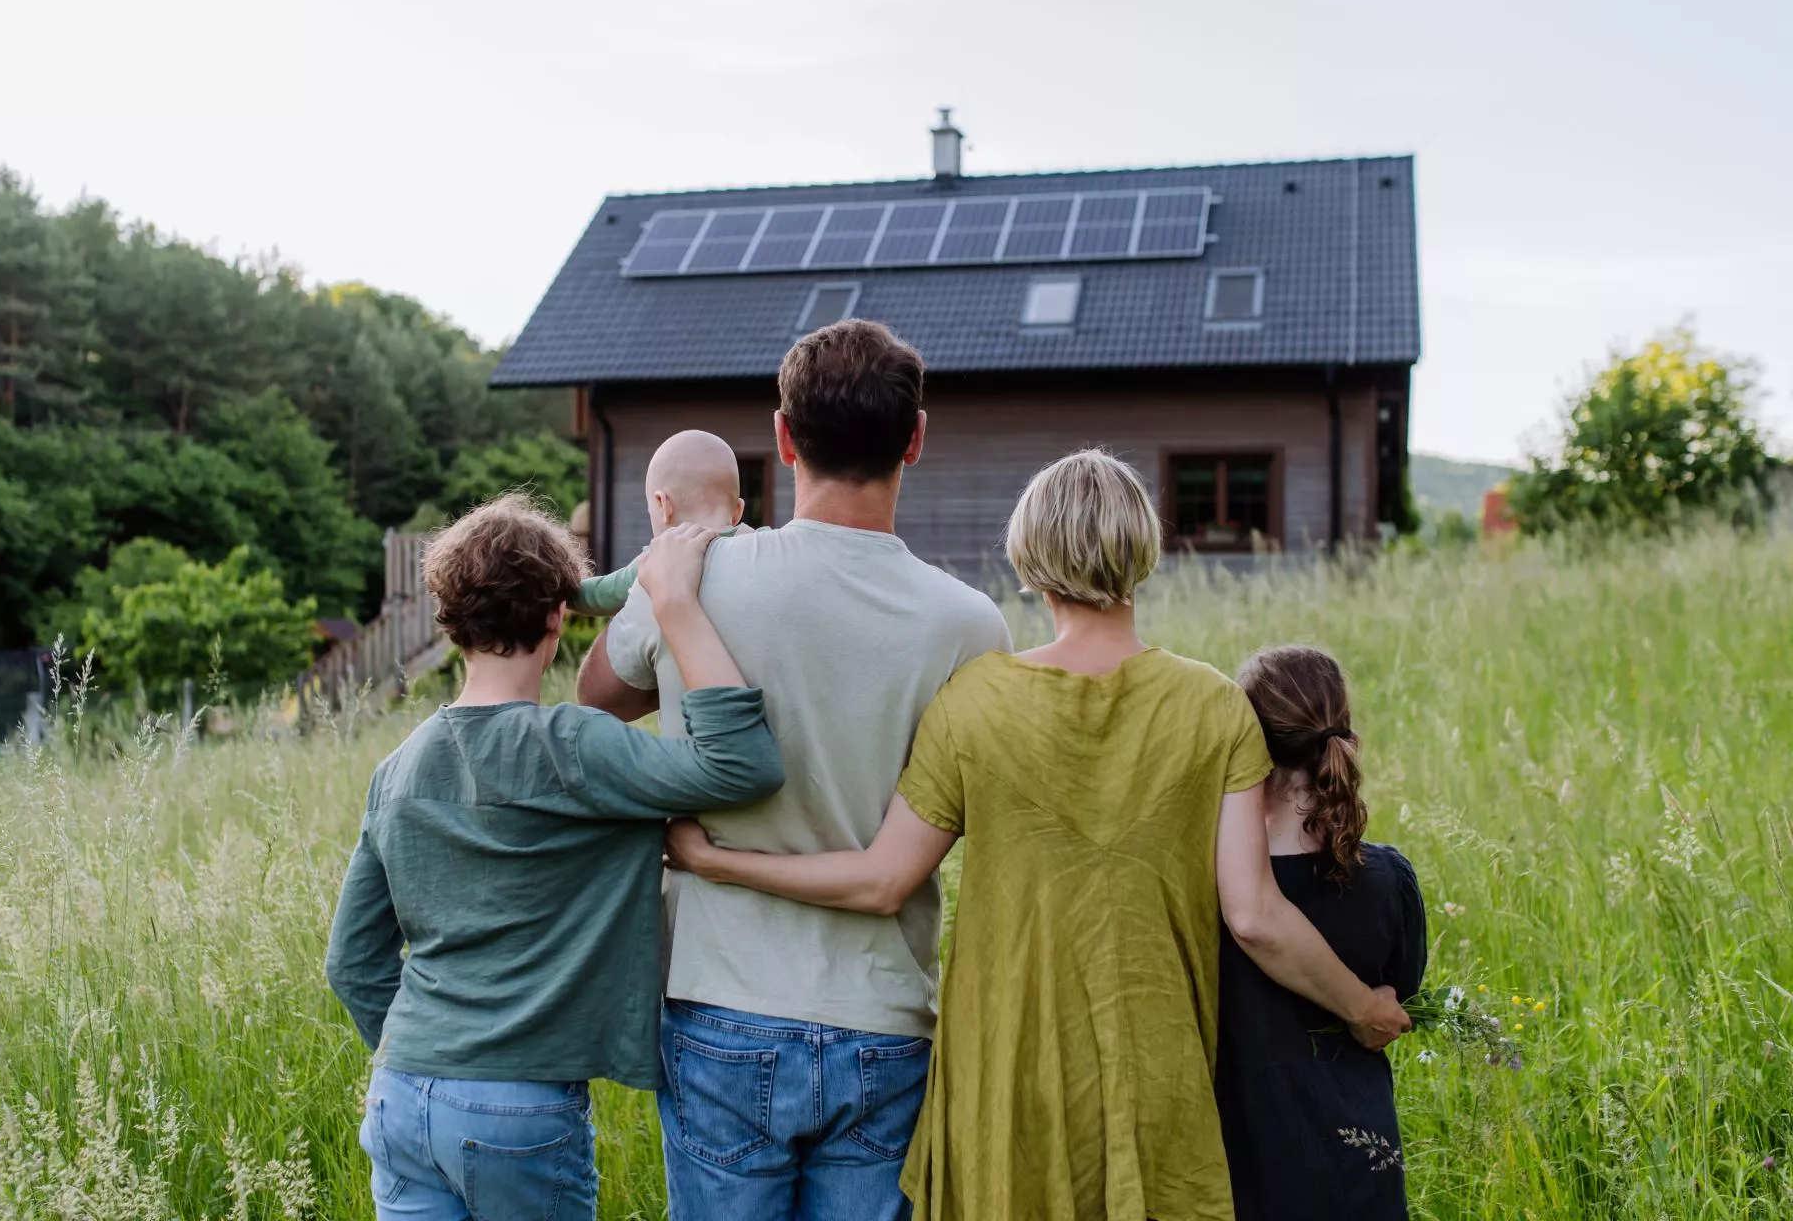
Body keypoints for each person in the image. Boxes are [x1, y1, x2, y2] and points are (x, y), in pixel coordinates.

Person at [664, 449, 1412, 1221]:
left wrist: (717, 860)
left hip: (1005, 1077)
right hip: (1155, 1071)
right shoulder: (1214, 706)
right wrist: (1361, 1006)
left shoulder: (974, 702)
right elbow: (1254, 916)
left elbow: (882, 881)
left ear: (1029, 557)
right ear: (1144, 548)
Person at [577, 319, 1012, 1221]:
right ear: (916, 439)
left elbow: (596, 699)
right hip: (884, 1020)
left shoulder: (695, 577)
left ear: (782, 437)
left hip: (717, 1004)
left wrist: (665, 563)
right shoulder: (972, 627)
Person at [324, 491, 785, 1221]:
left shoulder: (397, 771)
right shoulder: (572, 745)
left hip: (401, 1094)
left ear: (449, 621)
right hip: (518, 1107)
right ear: (557, 618)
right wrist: (676, 604)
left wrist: (437, 1052)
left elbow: (351, 963)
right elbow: (743, 765)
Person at [1216, 646, 1428, 1219]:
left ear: (1245, 744)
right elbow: (1400, 1001)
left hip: (1242, 1168)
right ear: (1345, 734)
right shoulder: (1389, 881)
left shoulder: (1206, 889)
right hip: (1360, 1158)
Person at [574, 428, 746, 617]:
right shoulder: (760, 546)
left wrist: (559, 587)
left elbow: (598, 595)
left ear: (663, 504)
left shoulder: (657, 562)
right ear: (738, 511)